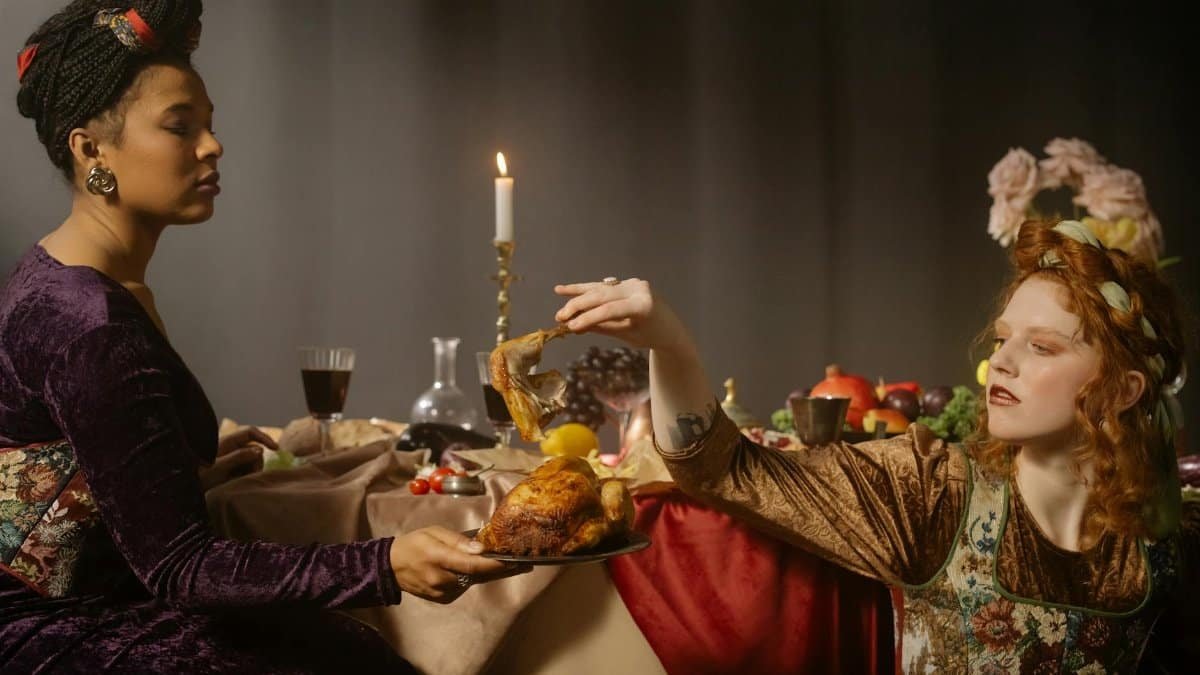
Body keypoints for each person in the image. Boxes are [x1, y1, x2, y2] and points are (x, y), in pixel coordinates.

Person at [0, 1, 521, 671]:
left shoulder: (61, 276)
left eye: (209, 125)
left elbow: (88, 460)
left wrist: (186, 470)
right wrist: (387, 560)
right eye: (179, 126)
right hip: (45, 629)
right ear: (91, 149)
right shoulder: (88, 323)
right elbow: (180, 566)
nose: (212, 146)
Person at [554, 220, 1198, 672]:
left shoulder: (1162, 539)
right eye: (1003, 339)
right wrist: (671, 343)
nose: (1000, 363)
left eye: (1042, 347)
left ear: (1121, 391)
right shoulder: (935, 492)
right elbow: (722, 469)